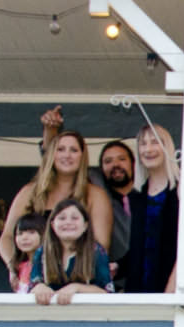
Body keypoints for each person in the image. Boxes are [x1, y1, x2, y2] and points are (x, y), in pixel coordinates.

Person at [0, 128, 114, 269]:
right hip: (34, 280)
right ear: (51, 155)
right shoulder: (30, 191)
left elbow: (101, 246)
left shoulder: (95, 195)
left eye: (74, 150)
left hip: (77, 279)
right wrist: (14, 267)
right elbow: (7, 237)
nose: (67, 155)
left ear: (82, 157)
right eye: (60, 149)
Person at [35, 105, 134, 267]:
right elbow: (56, 160)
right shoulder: (95, 184)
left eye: (121, 159)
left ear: (133, 163)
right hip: (96, 274)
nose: (115, 165)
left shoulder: (144, 196)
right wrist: (50, 130)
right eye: (108, 161)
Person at [120, 124, 179, 293]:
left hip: (171, 288)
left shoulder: (181, 191)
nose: (148, 149)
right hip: (138, 291)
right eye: (143, 143)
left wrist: (174, 285)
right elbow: (141, 245)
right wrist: (118, 265)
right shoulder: (136, 197)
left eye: (155, 142)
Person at [30, 198, 113, 305]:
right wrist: (39, 287)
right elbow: (32, 287)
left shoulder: (96, 252)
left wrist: (76, 288)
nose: (68, 222)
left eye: (74, 218)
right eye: (62, 218)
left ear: (85, 225)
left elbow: (106, 292)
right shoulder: (42, 252)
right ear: (52, 225)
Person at [9, 212, 44, 294]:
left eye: (31, 232)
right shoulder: (19, 267)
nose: (24, 237)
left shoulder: (48, 265)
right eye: (20, 234)